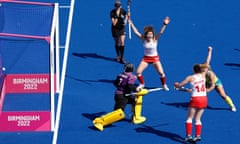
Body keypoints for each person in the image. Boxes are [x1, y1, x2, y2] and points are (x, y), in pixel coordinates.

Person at [92, 63, 147, 131]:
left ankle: (136, 118)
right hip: (123, 97)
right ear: (132, 69)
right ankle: (100, 122)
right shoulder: (131, 76)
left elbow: (115, 83)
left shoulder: (120, 75)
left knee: (136, 100)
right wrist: (138, 89)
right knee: (119, 113)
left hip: (119, 94)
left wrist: (122, 88)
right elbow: (130, 86)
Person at [128, 16, 170, 90]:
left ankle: (164, 85)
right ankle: (142, 84)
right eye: (148, 34)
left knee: (161, 73)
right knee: (138, 72)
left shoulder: (155, 39)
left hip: (155, 58)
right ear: (146, 35)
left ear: (153, 34)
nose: (150, 36)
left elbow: (161, 32)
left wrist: (164, 24)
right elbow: (136, 32)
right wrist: (131, 23)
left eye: (151, 34)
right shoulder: (143, 39)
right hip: (146, 58)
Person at [174, 64, 212, 143]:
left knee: (189, 118)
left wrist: (176, 84)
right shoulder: (203, 75)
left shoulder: (190, 77)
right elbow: (208, 65)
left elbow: (180, 85)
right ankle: (198, 135)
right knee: (198, 119)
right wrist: (209, 53)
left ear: (194, 70)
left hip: (195, 99)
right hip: (204, 99)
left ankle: (188, 136)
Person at [200, 46, 236, 112]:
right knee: (199, 92)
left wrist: (208, 90)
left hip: (216, 83)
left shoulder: (211, 74)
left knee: (223, 95)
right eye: (202, 69)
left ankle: (231, 105)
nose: (203, 69)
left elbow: (213, 85)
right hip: (207, 82)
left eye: (205, 68)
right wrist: (209, 51)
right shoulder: (201, 71)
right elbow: (208, 59)